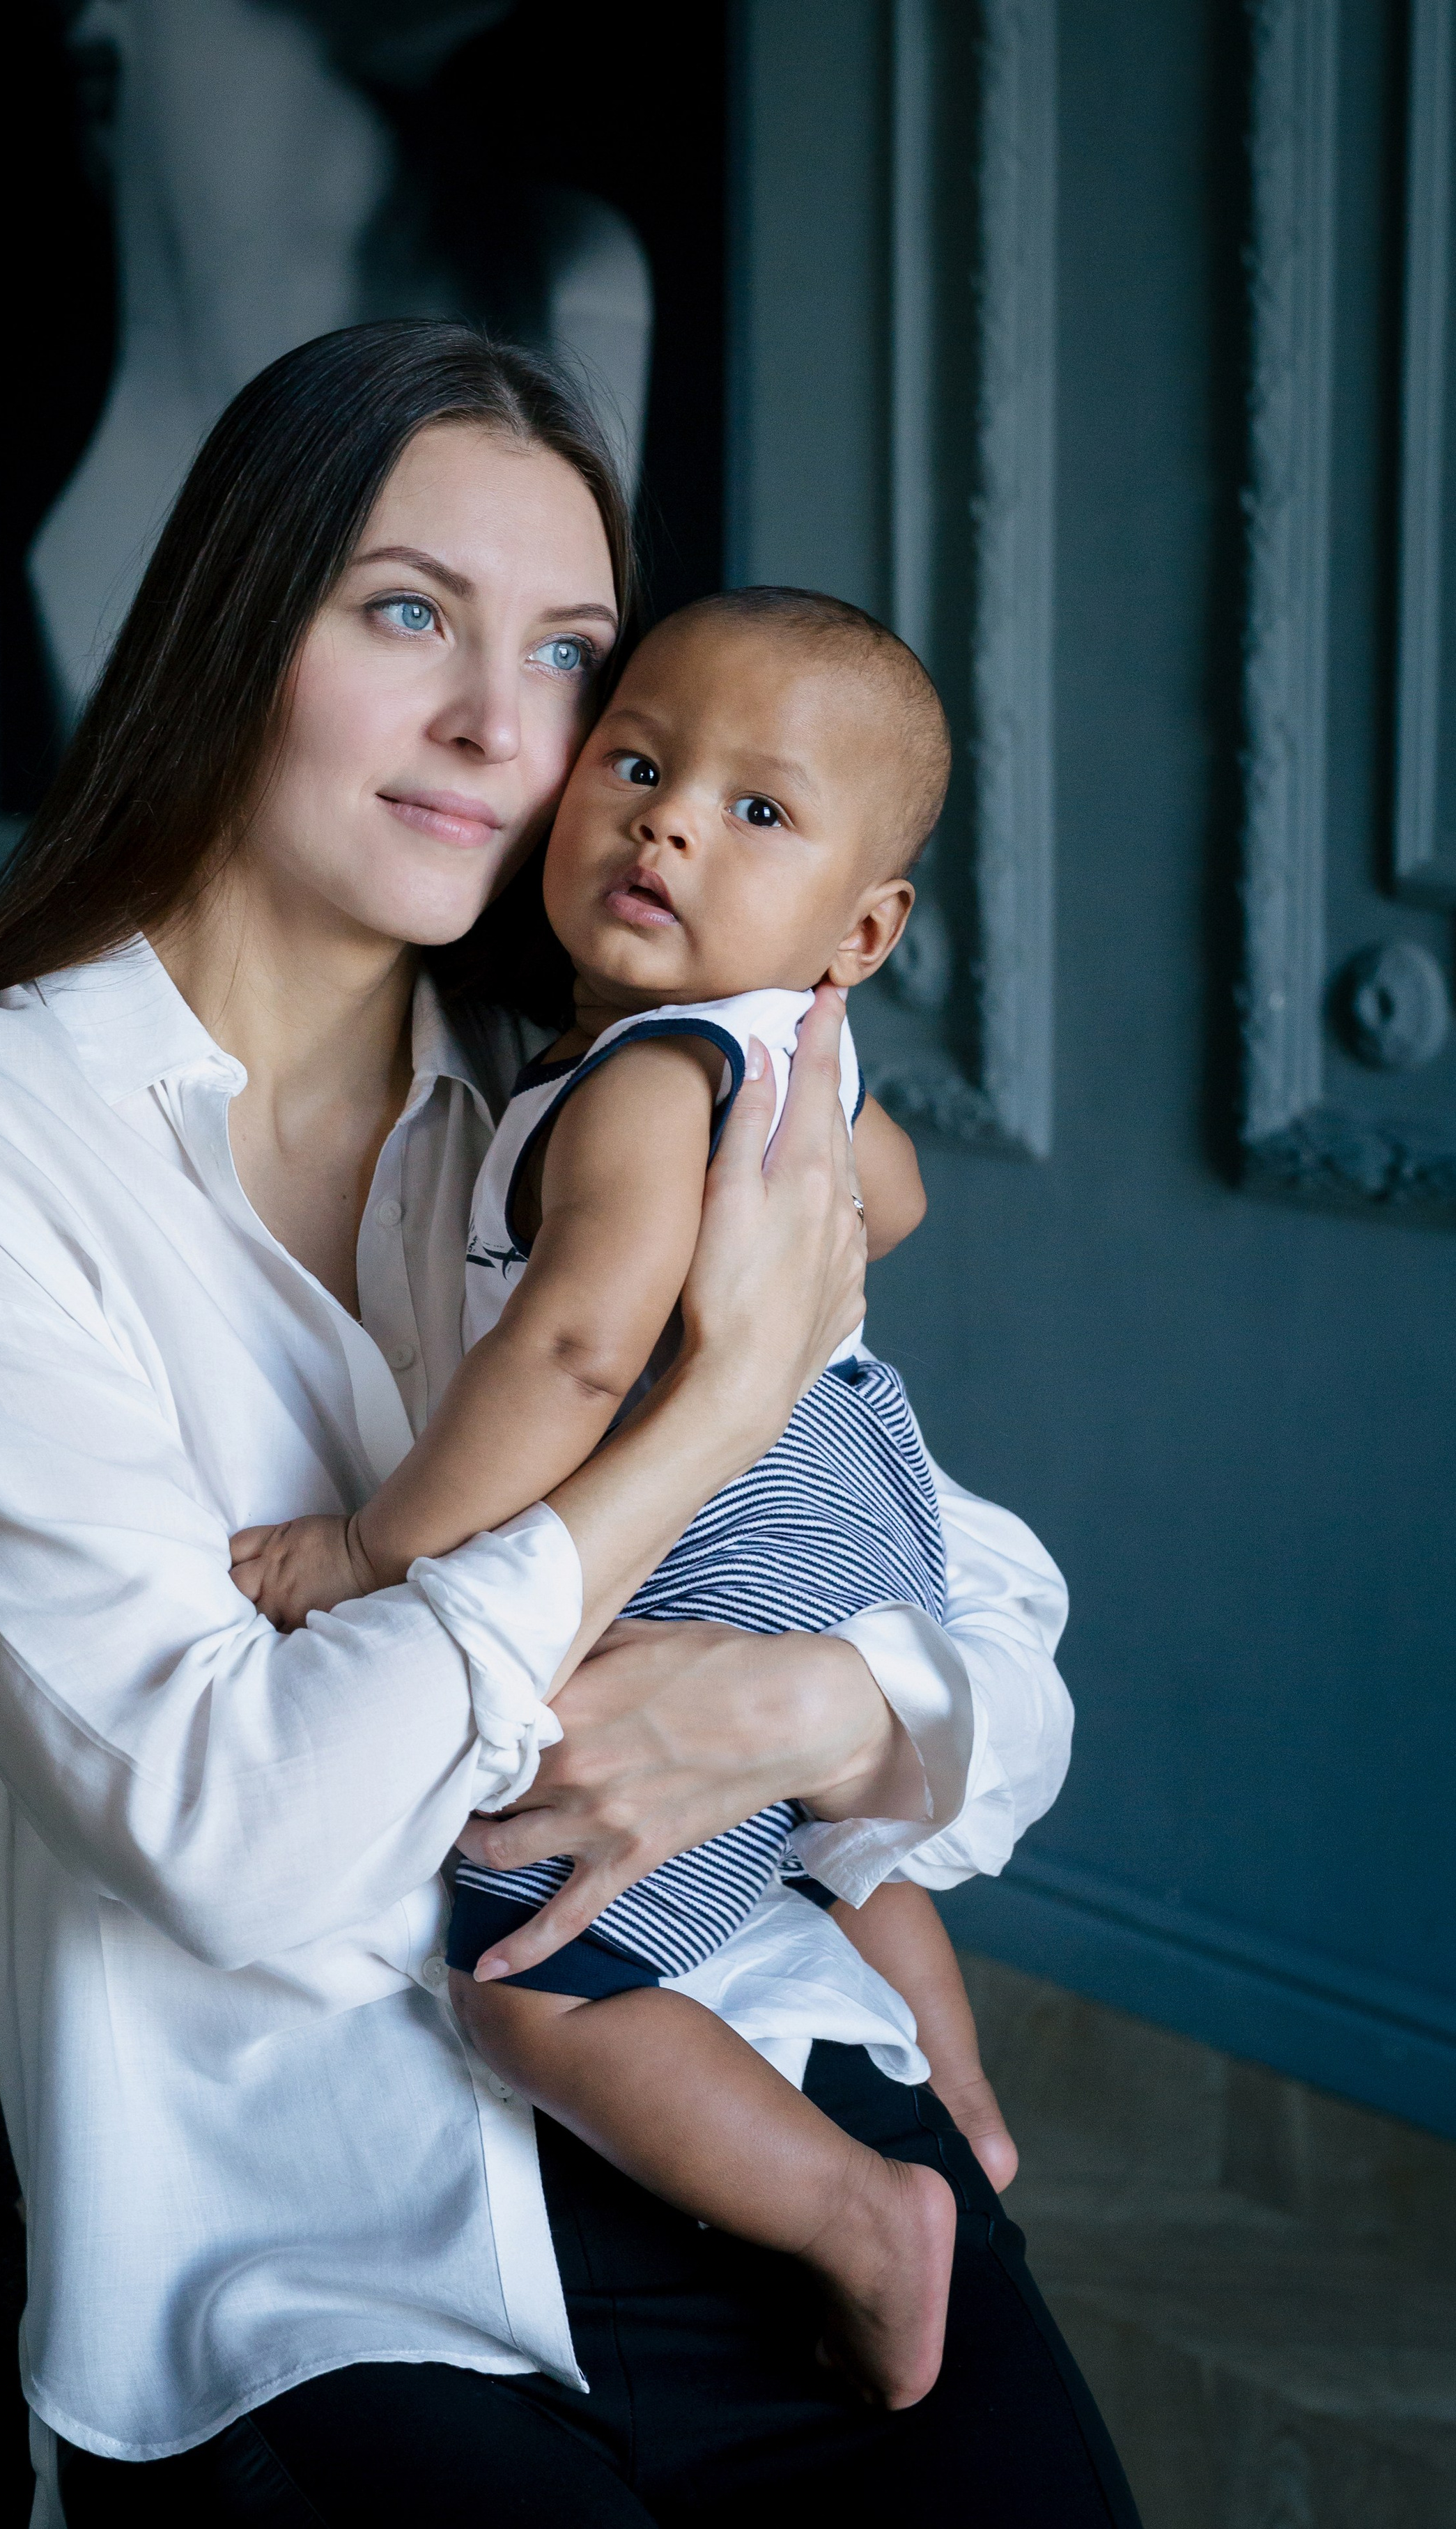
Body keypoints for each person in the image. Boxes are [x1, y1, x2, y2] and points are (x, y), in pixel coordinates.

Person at [0, 323, 1182, 2529]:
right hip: (306, 2267)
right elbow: (236, 1833)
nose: (499, 731)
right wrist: (698, 1435)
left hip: (757, 2102)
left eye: (568, 655)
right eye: (404, 612)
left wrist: (807, 1717)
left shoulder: (593, 1096)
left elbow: (995, 1637)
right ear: (235, 624)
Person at [231, 586, 998, 2410]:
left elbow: (575, 1359)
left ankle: (861, 2215)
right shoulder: (787, 1054)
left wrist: (369, 1546)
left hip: (734, 1523)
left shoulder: (648, 1078)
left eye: (757, 811)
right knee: (818, 1843)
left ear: (865, 927)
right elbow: (887, 1201)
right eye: (642, 766)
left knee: (521, 1974)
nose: (665, 819)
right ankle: (954, 2079)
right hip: (862, 1497)